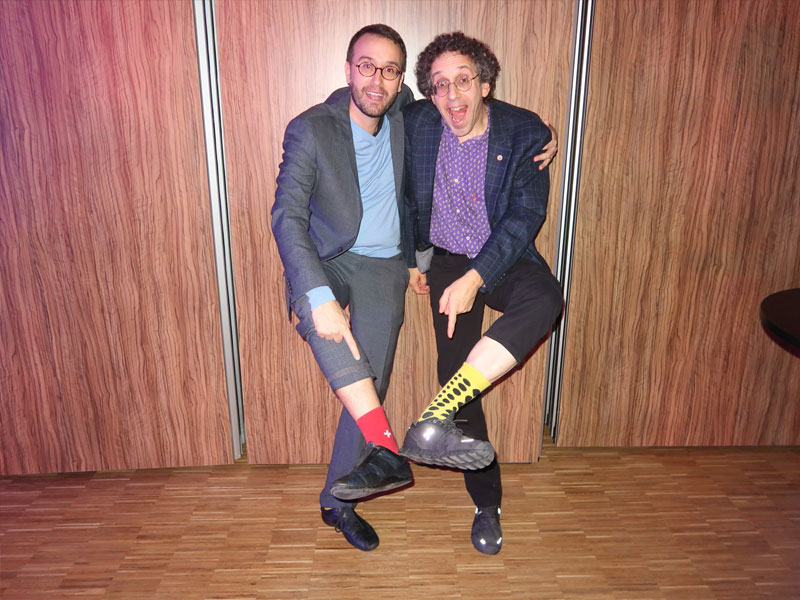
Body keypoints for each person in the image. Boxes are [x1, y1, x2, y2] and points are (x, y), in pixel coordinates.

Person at [400, 32, 564, 555]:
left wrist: (477, 278)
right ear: (429, 93)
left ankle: (434, 415)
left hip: (502, 255)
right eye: (439, 85)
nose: (452, 96)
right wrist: (415, 261)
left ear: (485, 84)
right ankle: (486, 503)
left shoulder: (523, 131)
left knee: (546, 298)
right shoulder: (418, 122)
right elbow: (363, 101)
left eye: (463, 81)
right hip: (446, 261)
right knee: (460, 380)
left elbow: (527, 215)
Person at [271, 24, 415, 552]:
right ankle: (385, 446)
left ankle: (338, 502)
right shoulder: (311, 128)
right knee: (318, 313)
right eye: (367, 66)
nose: (377, 80)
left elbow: (468, 104)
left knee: (368, 380)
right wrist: (317, 297)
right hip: (327, 256)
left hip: (383, 263)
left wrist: (536, 130)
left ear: (400, 80)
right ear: (349, 69)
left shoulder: (406, 113)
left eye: (390, 70)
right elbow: (287, 217)